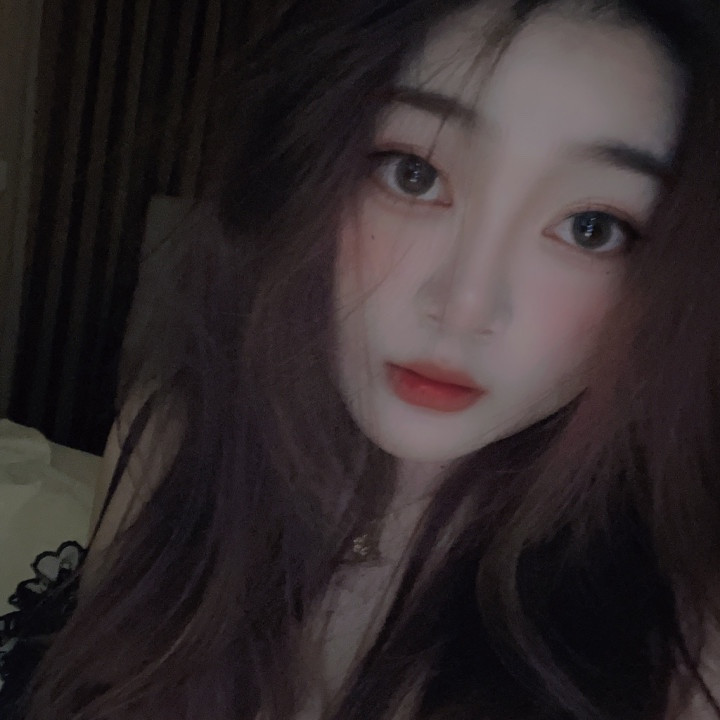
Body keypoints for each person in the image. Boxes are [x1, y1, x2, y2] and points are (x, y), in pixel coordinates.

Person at [3, 0, 720, 717]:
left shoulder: (684, 649)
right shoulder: (172, 446)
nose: (465, 306)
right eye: (413, 174)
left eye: (592, 228)